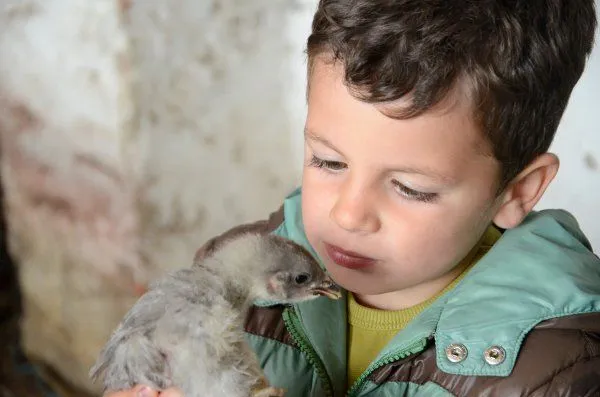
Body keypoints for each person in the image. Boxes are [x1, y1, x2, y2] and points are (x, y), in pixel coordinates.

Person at [106, 0, 600, 396]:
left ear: (516, 192)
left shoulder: (553, 374)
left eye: (411, 188)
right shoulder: (242, 284)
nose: (348, 214)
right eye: (328, 161)